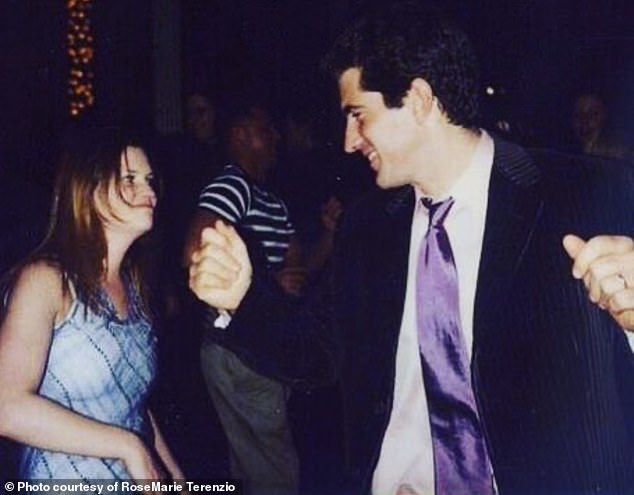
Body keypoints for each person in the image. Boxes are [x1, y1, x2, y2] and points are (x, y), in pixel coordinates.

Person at [188, 3, 634, 494]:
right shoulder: (366, 228)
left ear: (419, 99)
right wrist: (242, 300)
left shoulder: (588, 194)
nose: (348, 141)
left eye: (358, 115)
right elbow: (318, 355)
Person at [0, 128, 183, 480]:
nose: (148, 191)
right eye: (129, 178)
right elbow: (6, 408)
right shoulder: (46, 280)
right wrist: (128, 446)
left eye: (148, 179)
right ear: (88, 189)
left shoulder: (136, 288)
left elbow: (131, 402)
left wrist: (174, 473)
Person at [184, 101, 300, 495]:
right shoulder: (234, 185)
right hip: (241, 345)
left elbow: (297, 267)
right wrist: (263, 287)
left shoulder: (271, 201)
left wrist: (330, 233)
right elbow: (196, 250)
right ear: (241, 136)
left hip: (262, 341)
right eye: (267, 130)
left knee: (254, 463)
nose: (277, 138)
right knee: (275, 468)